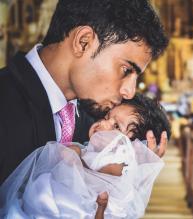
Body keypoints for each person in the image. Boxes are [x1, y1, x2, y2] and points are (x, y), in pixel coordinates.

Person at [0, 0, 169, 184]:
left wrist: (131, 179)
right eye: (126, 70)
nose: (130, 92)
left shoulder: (101, 126)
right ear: (83, 42)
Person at [0, 94, 171, 218]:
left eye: (116, 126)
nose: (103, 123)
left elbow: (102, 182)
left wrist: (76, 160)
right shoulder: (89, 149)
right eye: (107, 117)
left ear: (129, 148)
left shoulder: (117, 167)